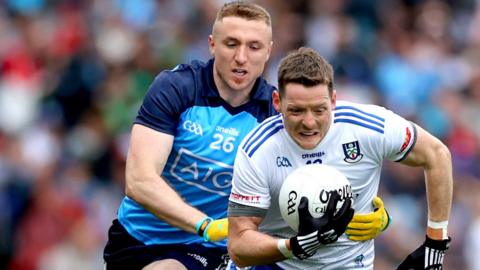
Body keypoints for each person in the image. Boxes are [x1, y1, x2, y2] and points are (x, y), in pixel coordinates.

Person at [227, 47, 453, 269]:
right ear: (277, 102)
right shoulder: (257, 150)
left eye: (319, 110)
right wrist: (294, 246)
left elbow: (437, 155)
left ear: (333, 100)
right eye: (296, 111)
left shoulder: (367, 127)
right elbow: (238, 247)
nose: (309, 122)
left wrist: (435, 243)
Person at [103, 2, 276, 269]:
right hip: (140, 239)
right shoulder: (177, 87)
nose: (241, 57)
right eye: (231, 44)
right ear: (212, 45)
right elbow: (139, 180)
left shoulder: (275, 115)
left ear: (268, 52)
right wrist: (204, 225)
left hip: (211, 249)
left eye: (254, 47)